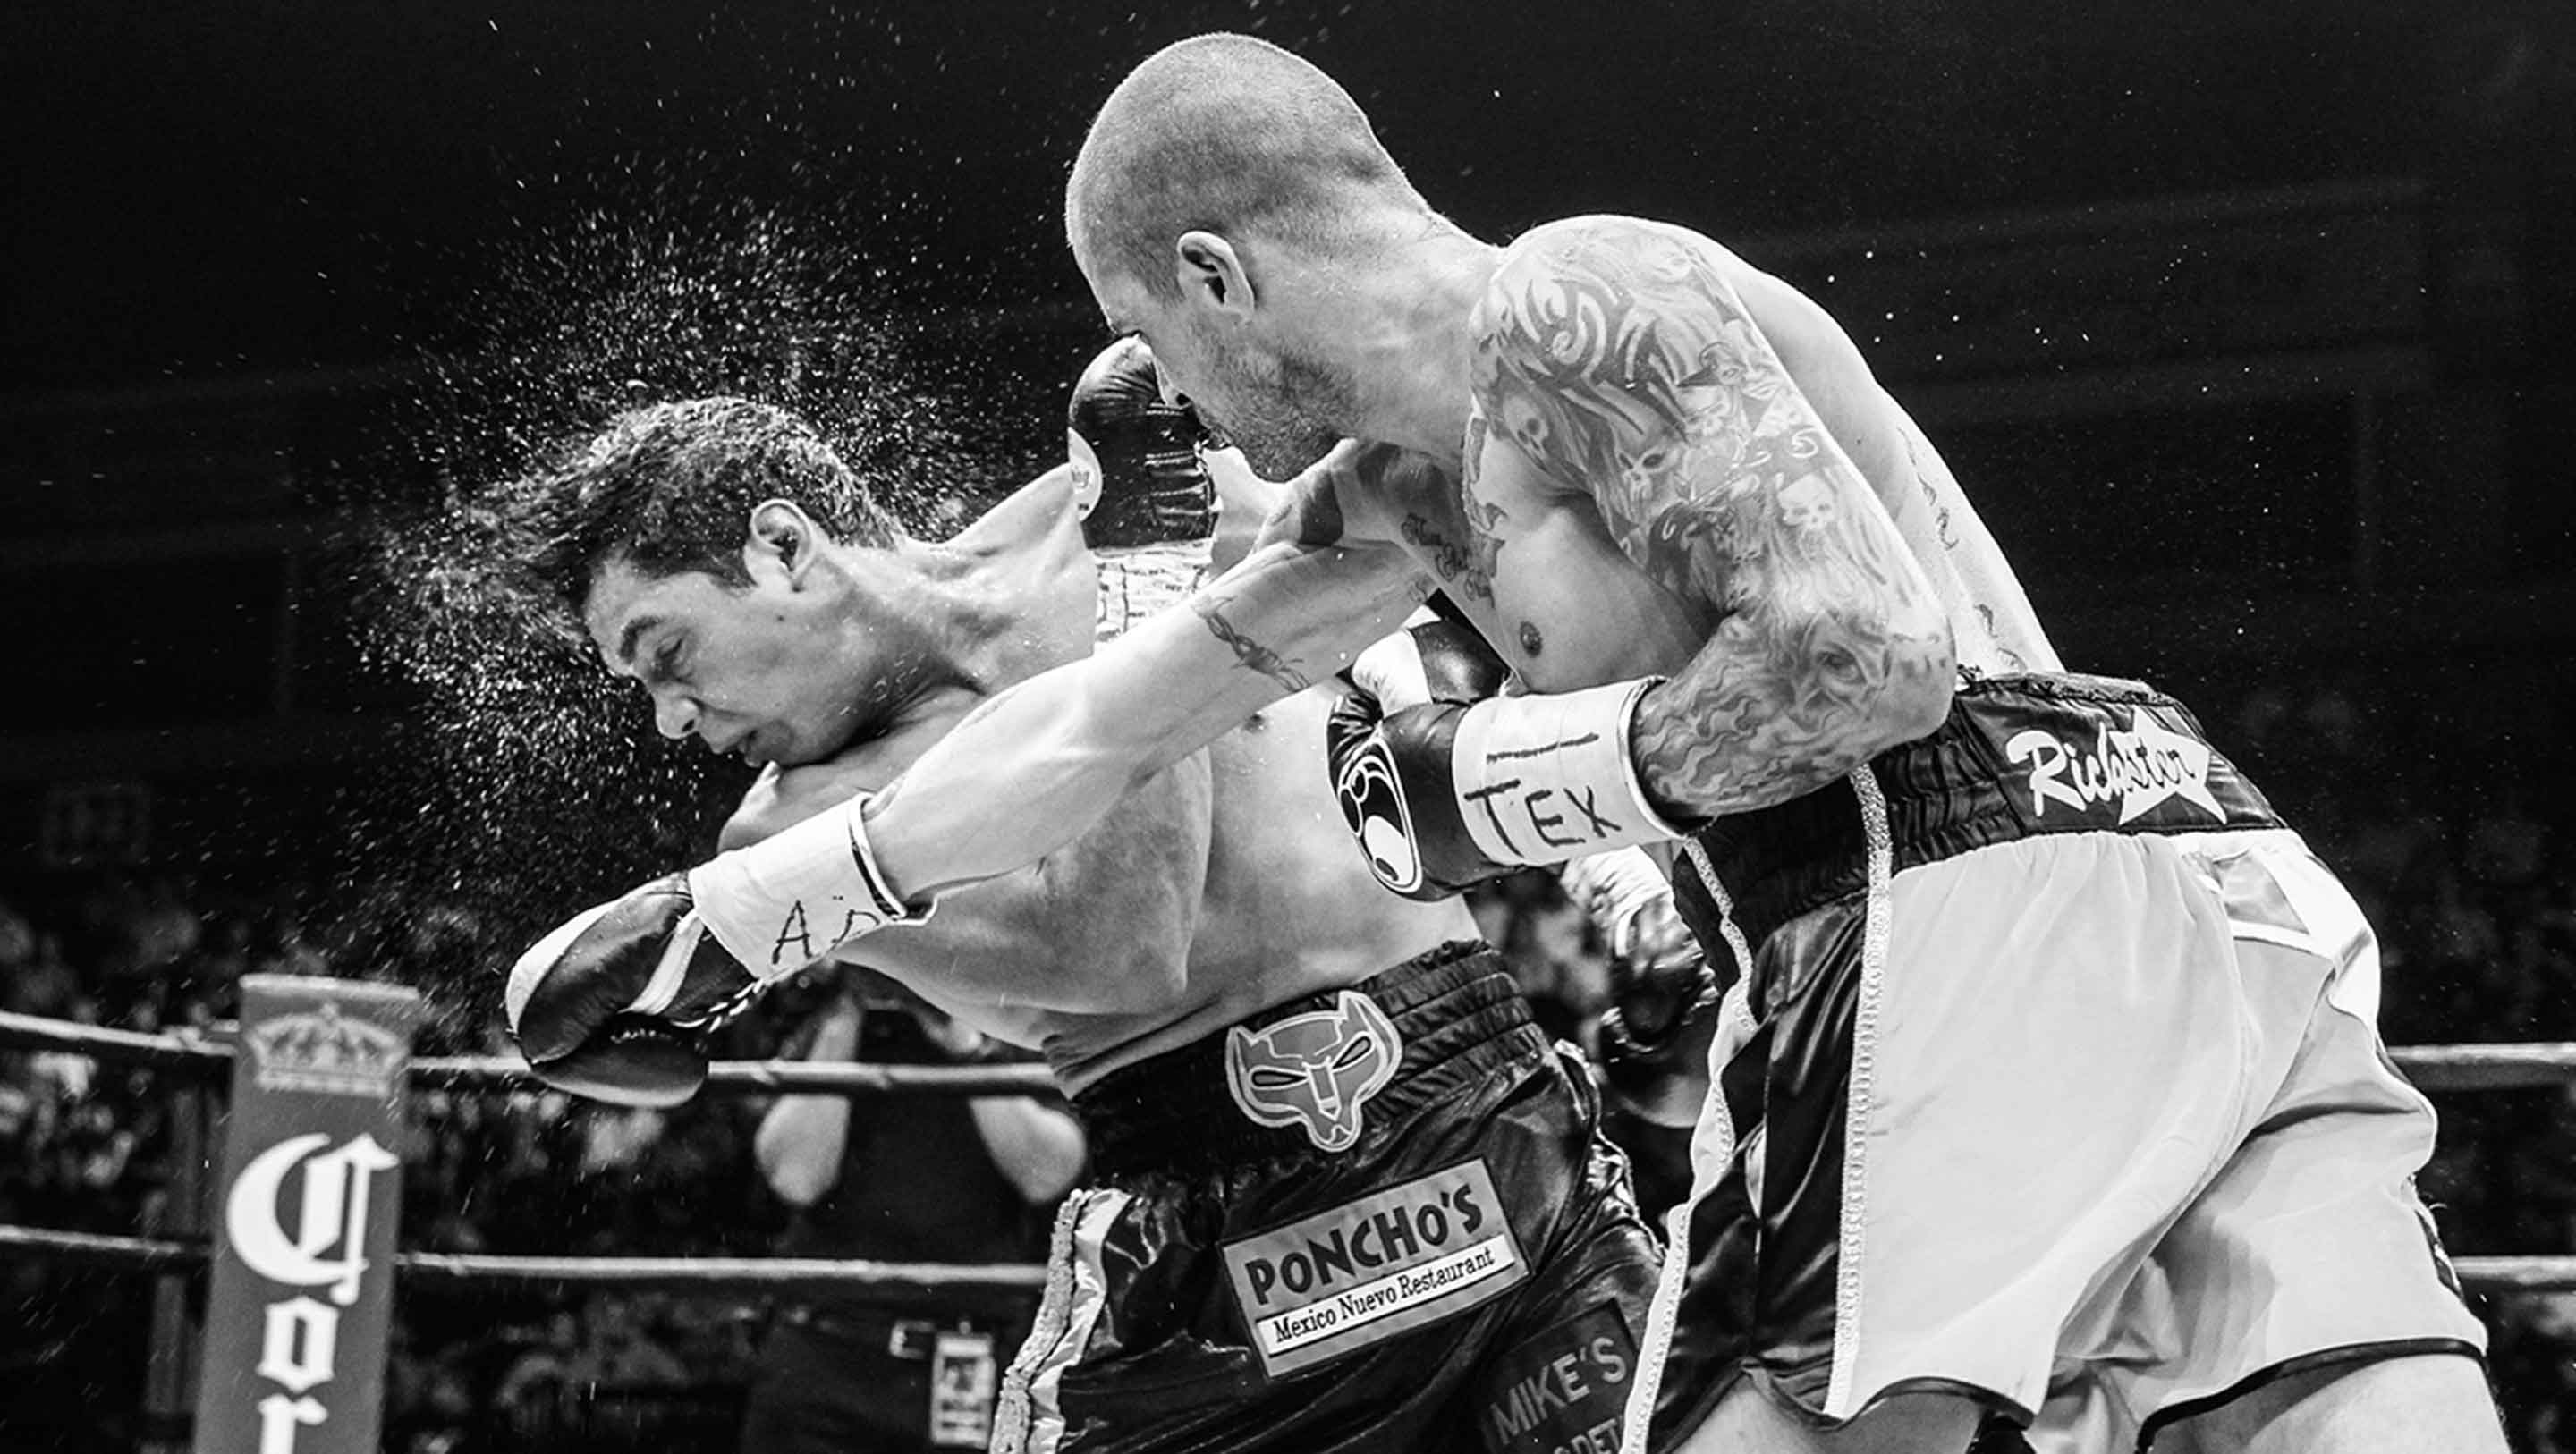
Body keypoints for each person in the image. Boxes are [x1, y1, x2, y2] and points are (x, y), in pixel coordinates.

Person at [503, 36, 2501, 1454]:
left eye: (1169, 347)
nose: (1176, 407)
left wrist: (1506, 791)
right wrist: (749, 906)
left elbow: (1866, 661)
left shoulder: (1575, 294)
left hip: (1939, 883)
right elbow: (1113, 726)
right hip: (2195, 885)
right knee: (2334, 1413)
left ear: (1217, 277)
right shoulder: (1397, 497)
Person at [499, 342, 1666, 1453]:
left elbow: (1387, 617)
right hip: (1217, 1253)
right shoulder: (788, 836)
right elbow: (1122, 951)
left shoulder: (1088, 504)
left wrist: (1615, 874)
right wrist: (1147, 580)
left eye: (664, 650)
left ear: (781, 547)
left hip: (1492, 1120)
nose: (667, 716)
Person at [739, 974, 1081, 1454]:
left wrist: (965, 1044)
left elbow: (1048, 1174)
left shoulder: (1015, 1006)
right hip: (826, 1347)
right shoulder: (812, 1005)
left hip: (967, 1354)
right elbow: (795, 1176)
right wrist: (849, 1014)